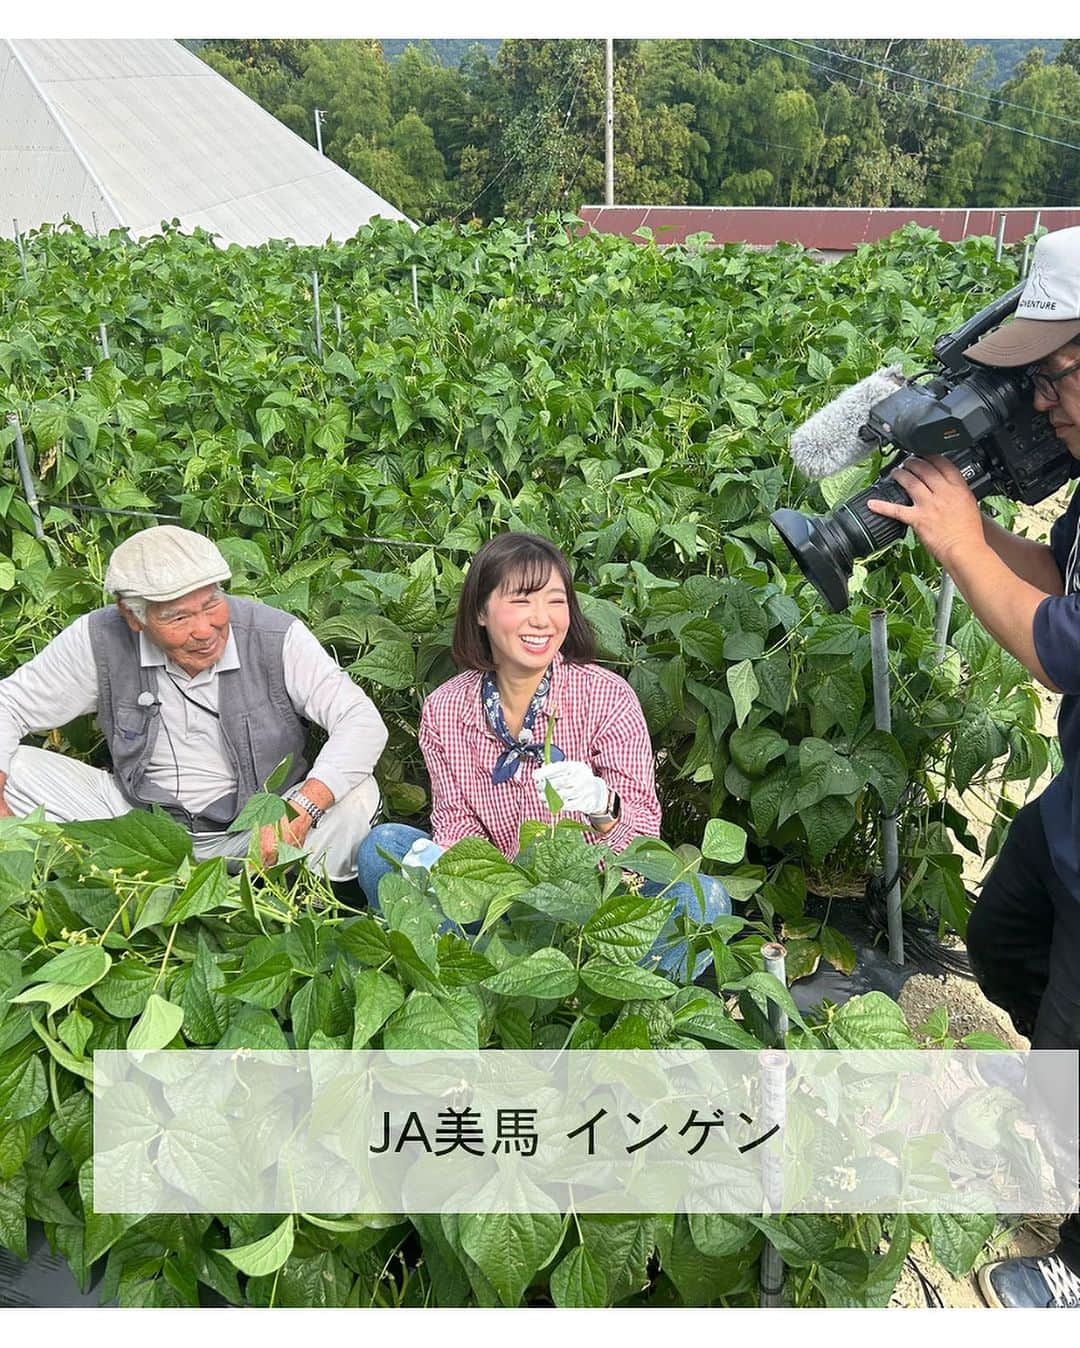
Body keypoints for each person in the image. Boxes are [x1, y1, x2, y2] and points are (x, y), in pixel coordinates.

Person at [867, 225, 1080, 1310]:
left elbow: (1059, 645)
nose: (1043, 405)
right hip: (1076, 814)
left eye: (1055, 376)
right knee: (1003, 939)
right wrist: (981, 530)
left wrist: (957, 549)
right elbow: (1060, 579)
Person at [357, 531, 730, 981]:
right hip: (500, 902)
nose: (543, 620)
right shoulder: (446, 710)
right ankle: (511, 973)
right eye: (521, 600)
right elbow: (456, 825)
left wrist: (601, 804)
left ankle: (558, 978)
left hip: (598, 904)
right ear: (480, 611)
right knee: (384, 849)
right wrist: (480, 880)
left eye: (556, 601)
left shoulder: (607, 697)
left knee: (702, 899)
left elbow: (643, 841)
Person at [0, 525, 387, 881]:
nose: (203, 631)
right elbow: (9, 703)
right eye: (178, 617)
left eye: (211, 605)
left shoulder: (273, 635)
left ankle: (299, 901)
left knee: (354, 794)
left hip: (261, 830)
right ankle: (73, 877)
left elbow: (361, 720)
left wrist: (302, 808)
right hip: (142, 825)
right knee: (14, 771)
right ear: (133, 616)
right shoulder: (100, 638)